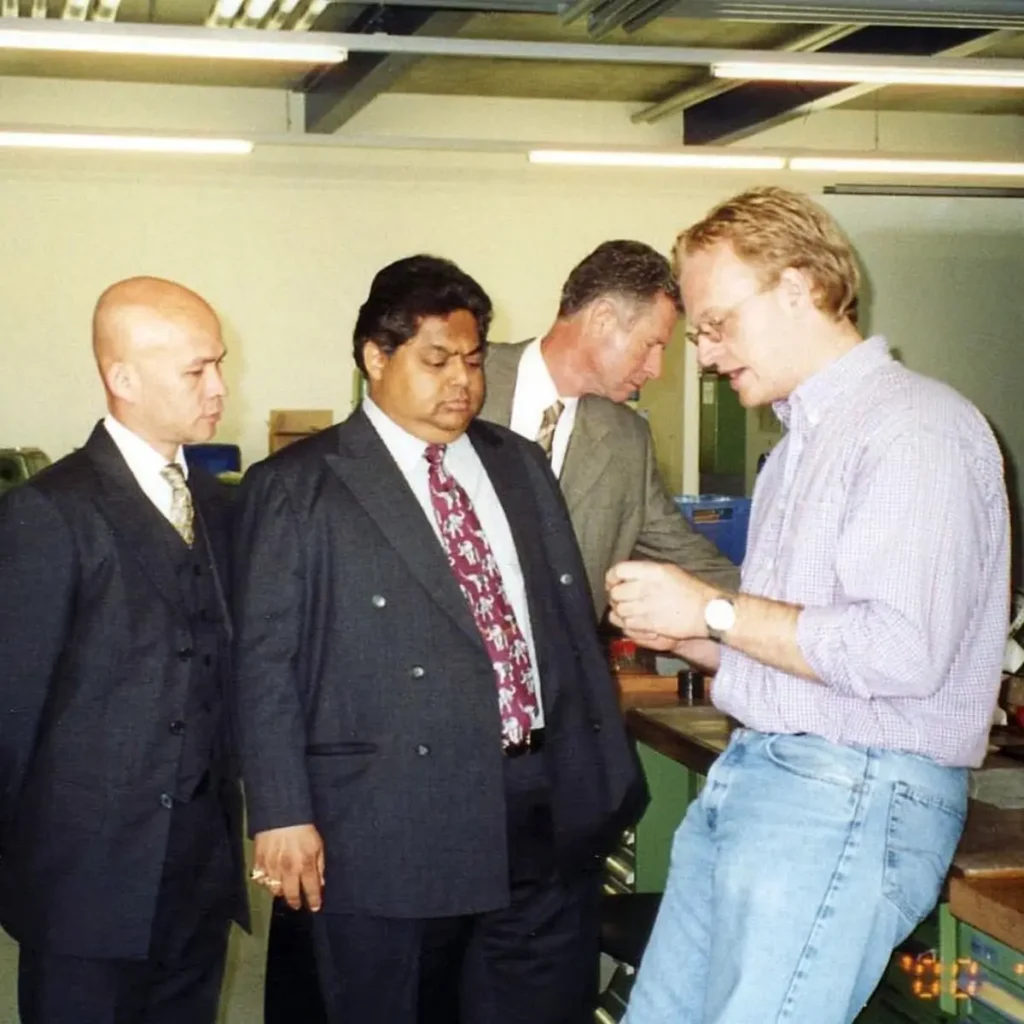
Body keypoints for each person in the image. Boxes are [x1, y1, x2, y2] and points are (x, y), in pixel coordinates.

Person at [605, 187, 1011, 1024]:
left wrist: (712, 611)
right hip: (764, 779)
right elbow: (804, 655)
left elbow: (898, 654)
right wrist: (689, 633)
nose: (708, 356)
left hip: (848, 793)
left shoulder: (915, 431)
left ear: (798, 287)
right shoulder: (797, 453)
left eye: (718, 324)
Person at [233, 254, 647, 1024]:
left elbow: (557, 629)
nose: (461, 380)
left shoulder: (516, 465)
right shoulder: (299, 487)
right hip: (389, 816)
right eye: (435, 360)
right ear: (375, 358)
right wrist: (280, 813)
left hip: (539, 802)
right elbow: (263, 663)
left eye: (472, 359)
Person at [0, 276, 249, 1024]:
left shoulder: (218, 504)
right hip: (85, 884)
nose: (220, 387)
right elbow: (11, 715)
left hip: (198, 873)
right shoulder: (48, 514)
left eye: (220, 364)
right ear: (123, 378)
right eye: (196, 370)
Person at [479, 239, 739, 617]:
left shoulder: (626, 440)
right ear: (602, 318)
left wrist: (778, 615)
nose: (656, 369)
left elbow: (687, 555)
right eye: (651, 344)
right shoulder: (465, 377)